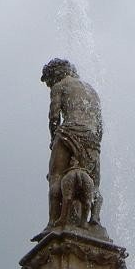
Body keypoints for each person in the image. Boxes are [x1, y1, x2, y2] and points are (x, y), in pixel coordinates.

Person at [41, 58, 103, 228]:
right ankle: (94, 219)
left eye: (49, 81)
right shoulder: (92, 91)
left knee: (56, 178)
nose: (50, 84)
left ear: (55, 75)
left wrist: (54, 140)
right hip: (91, 138)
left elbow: (54, 117)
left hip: (68, 133)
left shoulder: (60, 86)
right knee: (93, 184)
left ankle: (52, 222)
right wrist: (94, 145)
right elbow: (100, 125)